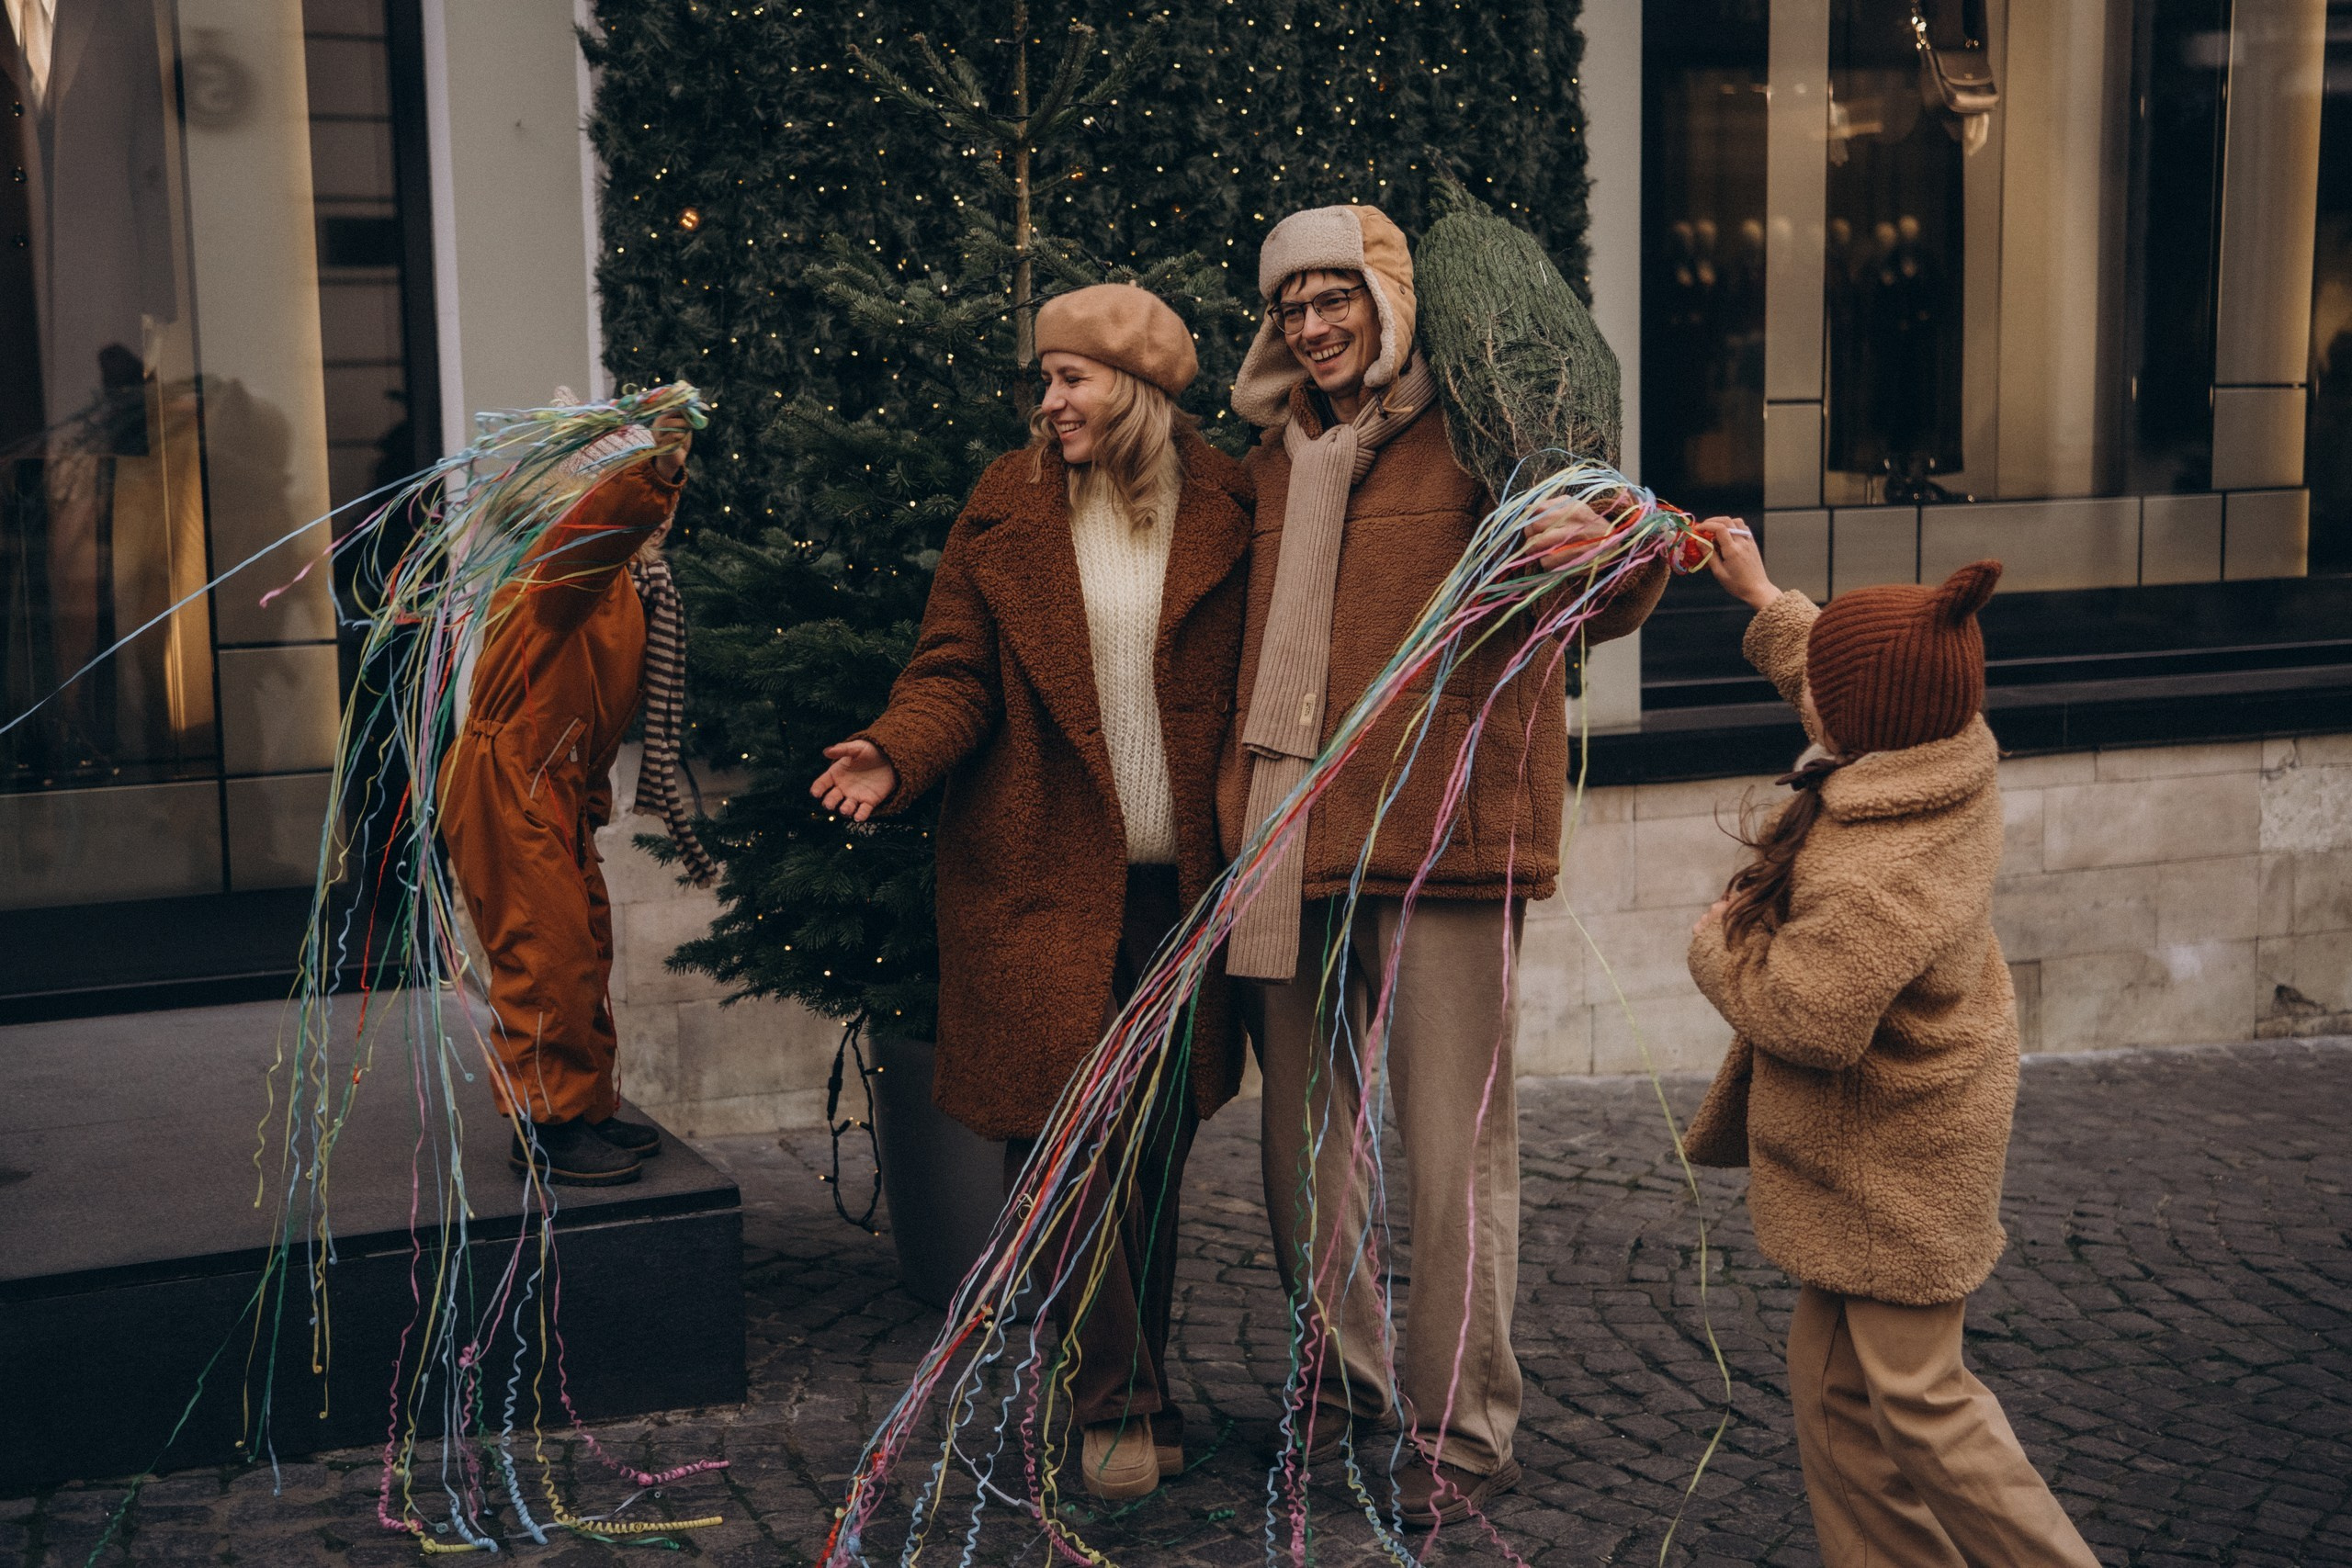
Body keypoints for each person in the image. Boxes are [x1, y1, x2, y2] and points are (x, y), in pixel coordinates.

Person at [1217, 202, 1673, 1528]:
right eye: (1289, 304)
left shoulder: (1479, 432)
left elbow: (1603, 561)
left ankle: (1461, 1430)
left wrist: (1617, 554)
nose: (1311, 325)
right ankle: (1339, 1386)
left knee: (1451, 1153)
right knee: (1304, 1151)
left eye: (1333, 296)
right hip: (1286, 842)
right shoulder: (1267, 461)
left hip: (1442, 839)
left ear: (1389, 299)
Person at [809, 284, 1252, 1502]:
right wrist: (897, 751)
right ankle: (1113, 1397)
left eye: (1074, 378)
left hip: (1185, 889)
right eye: (1043, 380)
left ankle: (1127, 1383)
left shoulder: (1235, 503)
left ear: (1143, 387)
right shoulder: (1007, 503)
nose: (1048, 400)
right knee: (1062, 1145)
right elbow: (954, 668)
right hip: (1035, 874)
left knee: (1151, 1143)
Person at [1681, 525, 2100, 1568]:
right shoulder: (1931, 746)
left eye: (1821, 685)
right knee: (1837, 1399)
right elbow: (1843, 673)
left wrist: (1719, 942)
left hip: (1896, 1161)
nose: (1807, 689)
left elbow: (1809, 1021)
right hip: (1874, 1152)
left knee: (1920, 1400)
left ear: (1859, 723)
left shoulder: (1882, 868)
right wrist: (1763, 594)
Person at [439, 409, 694, 1188]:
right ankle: (543, 1123)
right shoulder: (558, 568)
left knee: (580, 943)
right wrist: (651, 473)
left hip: (551, 780)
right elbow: (598, 533)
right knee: (544, 953)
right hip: (508, 779)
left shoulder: (621, 579)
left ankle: (582, 1104)